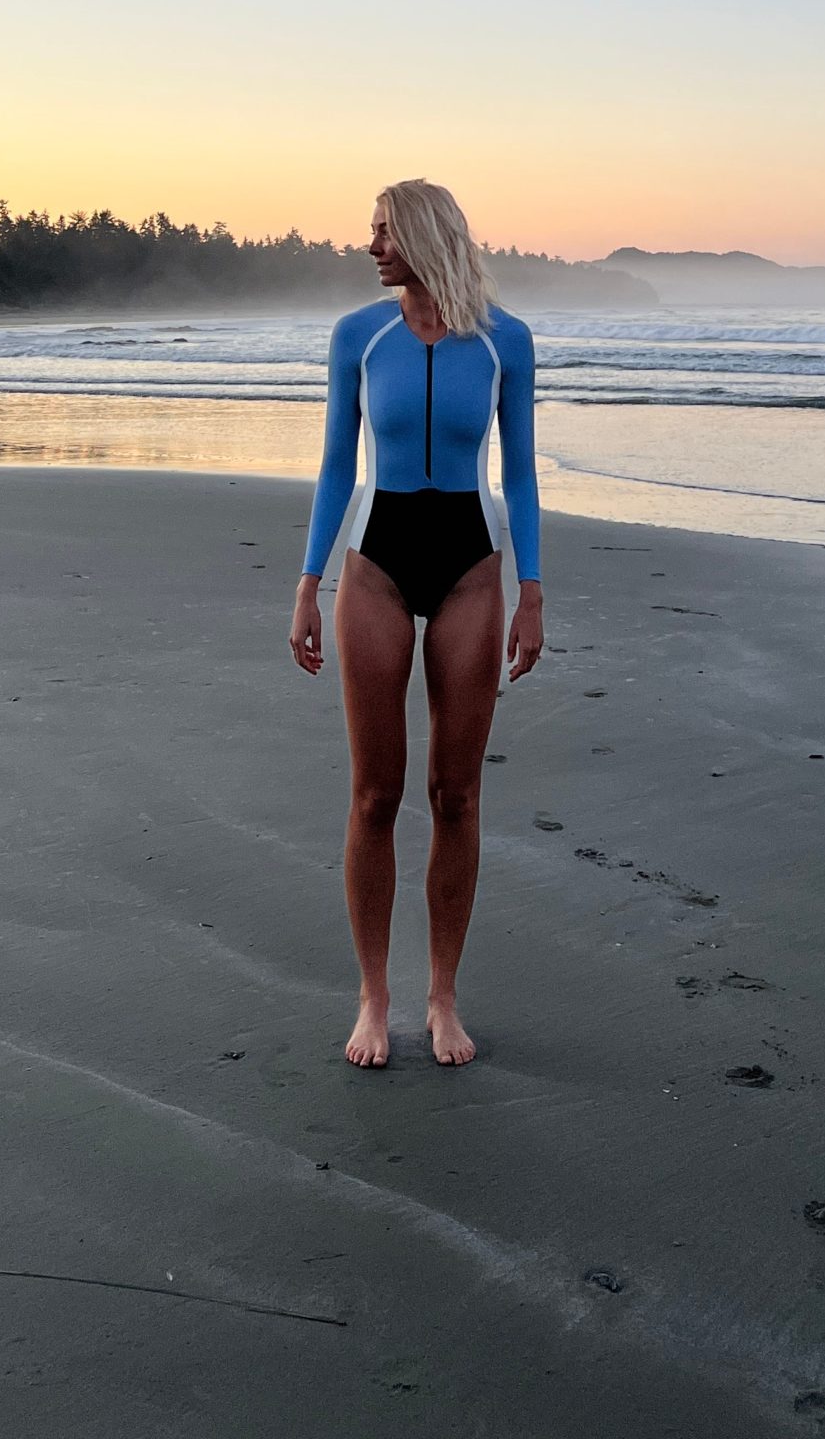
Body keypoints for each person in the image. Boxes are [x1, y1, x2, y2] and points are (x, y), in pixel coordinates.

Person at [289, 179, 543, 1068]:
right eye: (371, 231)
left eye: (384, 232)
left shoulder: (506, 340)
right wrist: (308, 583)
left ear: (426, 236)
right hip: (378, 562)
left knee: (457, 795)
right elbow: (332, 465)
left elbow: (523, 474)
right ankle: (372, 998)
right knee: (374, 795)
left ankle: (442, 998)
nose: (370, 246)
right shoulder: (359, 336)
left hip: (473, 566)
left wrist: (533, 591)